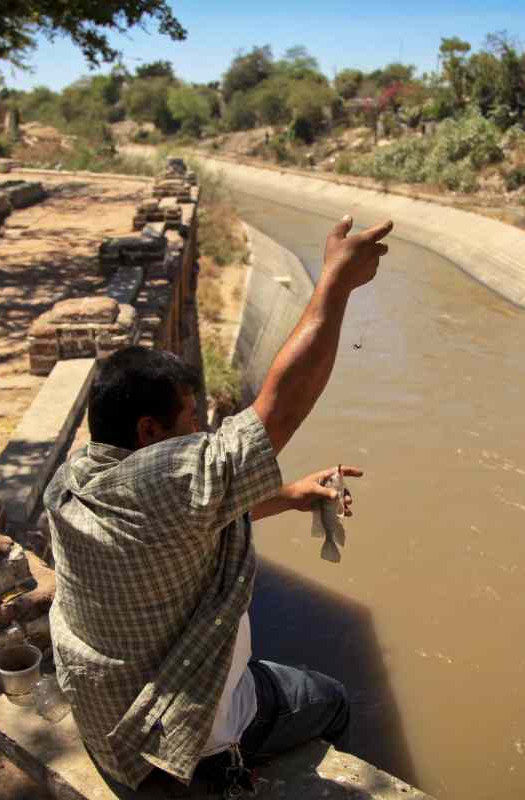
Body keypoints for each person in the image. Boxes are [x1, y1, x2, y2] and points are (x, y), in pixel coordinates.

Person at [42, 214, 393, 790]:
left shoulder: (78, 479)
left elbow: (185, 518)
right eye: (192, 419)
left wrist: (288, 495)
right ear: (150, 432)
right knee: (330, 699)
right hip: (180, 734)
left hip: (108, 717)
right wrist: (335, 281)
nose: (204, 429)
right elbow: (280, 406)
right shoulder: (164, 488)